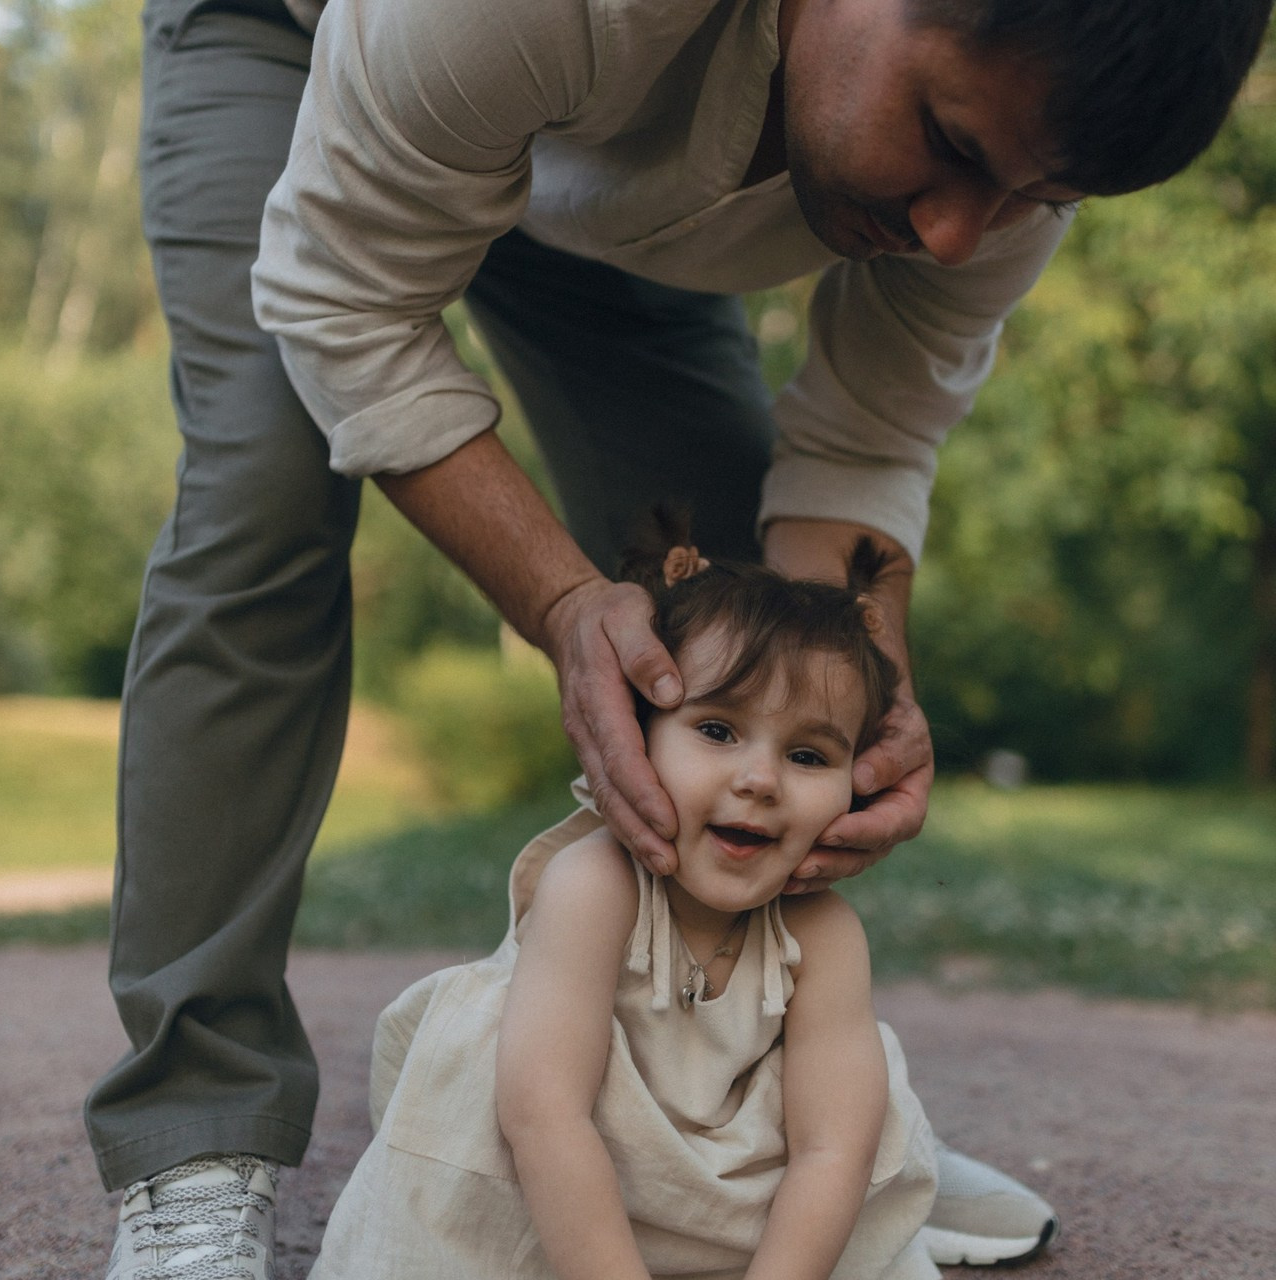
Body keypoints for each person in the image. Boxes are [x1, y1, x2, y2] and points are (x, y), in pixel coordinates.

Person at [94, 0, 1271, 1276]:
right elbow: (342, 298)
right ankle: (193, 1137)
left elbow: (863, 447)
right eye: (948, 143)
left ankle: (762, 1134)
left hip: (593, 166)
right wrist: (557, 600)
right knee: (265, 491)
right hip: (308, 44)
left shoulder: (1002, 170)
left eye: (1028, 198)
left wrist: (852, 695)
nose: (952, 234)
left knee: (746, 615)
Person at [311, 528, 942, 1280]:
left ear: (859, 782)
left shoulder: (824, 933)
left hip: (730, 1223)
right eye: (716, 730)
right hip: (545, 1207)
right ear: (635, 737)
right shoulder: (594, 885)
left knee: (861, 1098)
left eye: (808, 756)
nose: (760, 778)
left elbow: (830, 1150)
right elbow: (543, 1118)